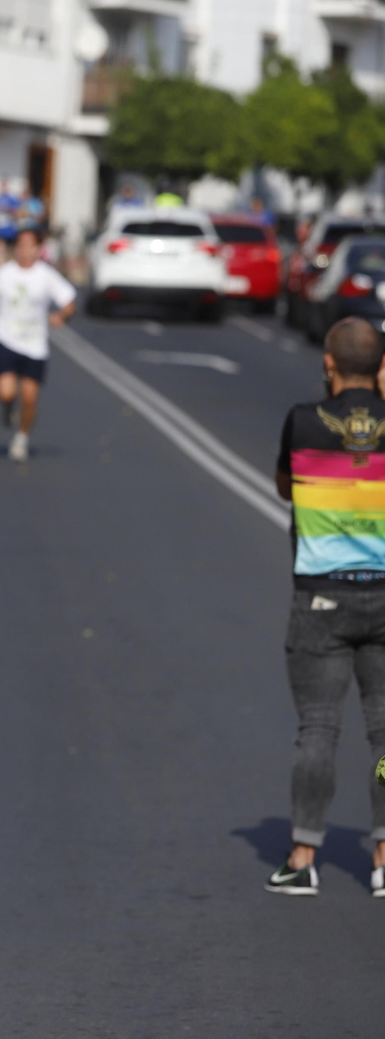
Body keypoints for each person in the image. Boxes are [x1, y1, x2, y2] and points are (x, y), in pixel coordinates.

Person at [267, 317, 385, 897]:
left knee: (318, 728)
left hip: (320, 597)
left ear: (329, 364)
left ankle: (302, 855)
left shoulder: (303, 421)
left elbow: (285, 489)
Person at [0, 228, 77, 463]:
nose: (25, 251)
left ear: (38, 249)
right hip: (7, 339)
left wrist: (61, 317)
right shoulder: (3, 274)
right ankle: (7, 407)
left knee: (30, 396)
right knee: (6, 391)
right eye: (21, 246)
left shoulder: (46, 275)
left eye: (30, 246)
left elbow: (69, 301)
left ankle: (22, 437)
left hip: (35, 344)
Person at [0, 180, 22, 266]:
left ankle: (10, 264)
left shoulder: (11, 199)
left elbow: (17, 212)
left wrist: (9, 210)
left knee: (10, 248)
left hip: (9, 227)